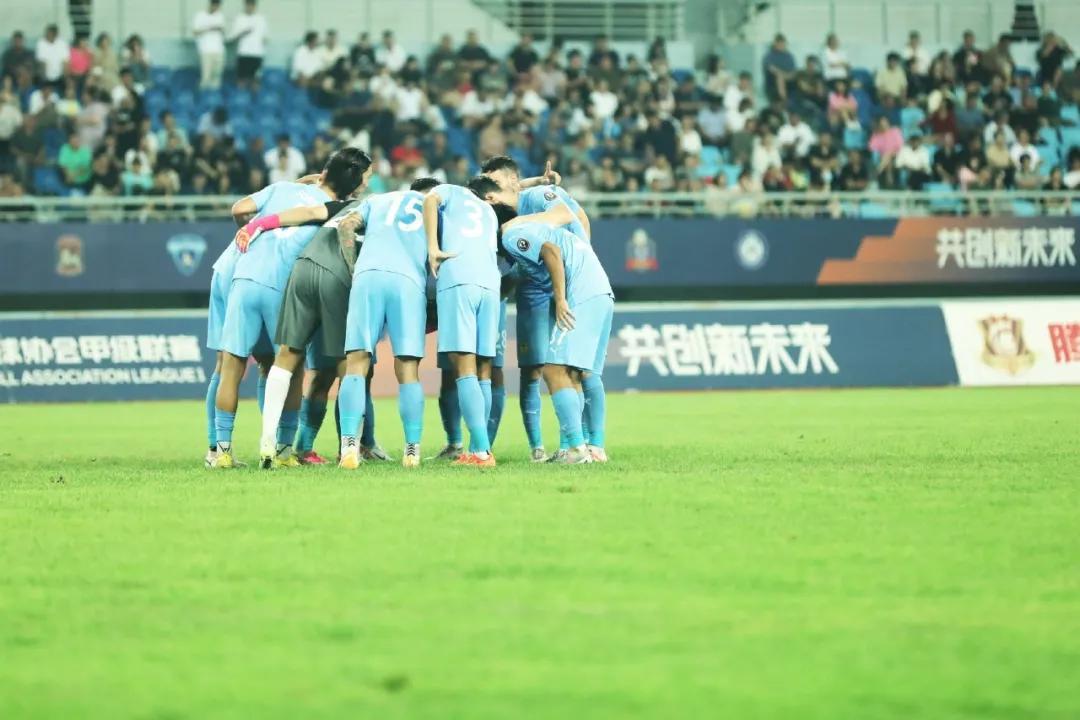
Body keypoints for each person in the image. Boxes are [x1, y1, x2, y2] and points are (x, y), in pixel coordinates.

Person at [210, 149, 367, 469]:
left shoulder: (281, 188)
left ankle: (221, 452)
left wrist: (249, 228)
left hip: (245, 277)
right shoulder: (335, 210)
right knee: (290, 367)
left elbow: (239, 209)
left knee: (231, 366)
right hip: (282, 287)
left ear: (324, 172)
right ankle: (283, 451)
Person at [479, 156, 593, 462]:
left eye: (495, 182)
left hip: (565, 283)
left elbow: (572, 215)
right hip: (531, 286)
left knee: (572, 367)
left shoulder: (539, 197)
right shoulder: (493, 210)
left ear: (512, 182)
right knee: (531, 370)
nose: (490, 190)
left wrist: (585, 255)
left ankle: (582, 443)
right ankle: (537, 448)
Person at [319, 177, 438, 468]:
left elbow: (346, 225)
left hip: (368, 277)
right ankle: (412, 450)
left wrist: (353, 268)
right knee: (407, 368)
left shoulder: (378, 200)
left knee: (356, 362)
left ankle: (349, 445)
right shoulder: (434, 205)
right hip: (408, 282)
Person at [497, 216, 614, 465]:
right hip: (602, 293)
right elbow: (512, 281)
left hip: (581, 295)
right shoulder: (542, 232)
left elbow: (551, 252)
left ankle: (576, 449)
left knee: (553, 370)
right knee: (581, 373)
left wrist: (560, 300)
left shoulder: (510, 235)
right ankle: (594, 447)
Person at [422, 178, 502, 467]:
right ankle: (480, 447)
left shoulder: (451, 191)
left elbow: (429, 200)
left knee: (464, 365)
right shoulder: (489, 211)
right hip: (491, 285)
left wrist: (433, 246)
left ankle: (480, 453)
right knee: (483, 369)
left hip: (459, 279)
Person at [231, 0, 268, 88]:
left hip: (257, 54)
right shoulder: (239, 18)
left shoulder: (261, 19)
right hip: (243, 53)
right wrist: (243, 33)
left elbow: (266, 38)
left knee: (256, 80)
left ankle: (255, 96)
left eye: (252, 5)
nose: (250, 7)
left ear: (255, 6)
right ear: (245, 5)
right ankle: (240, 96)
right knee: (241, 80)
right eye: (248, 5)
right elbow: (233, 37)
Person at [192, 0, 226, 90]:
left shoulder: (220, 16)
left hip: (219, 50)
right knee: (206, 76)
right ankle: (203, 94)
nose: (216, 8)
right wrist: (209, 28)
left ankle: (214, 95)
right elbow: (195, 32)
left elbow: (223, 32)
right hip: (205, 50)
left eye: (218, 6)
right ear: (210, 4)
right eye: (215, 6)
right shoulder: (200, 15)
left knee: (217, 75)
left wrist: (220, 30)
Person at [762, 34, 795, 102]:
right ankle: (783, 100)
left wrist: (788, 76)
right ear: (775, 44)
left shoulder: (789, 56)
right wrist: (782, 75)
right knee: (780, 77)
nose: (781, 45)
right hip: (773, 81)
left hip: (789, 79)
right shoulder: (769, 56)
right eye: (779, 44)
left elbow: (793, 71)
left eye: (782, 43)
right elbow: (772, 69)